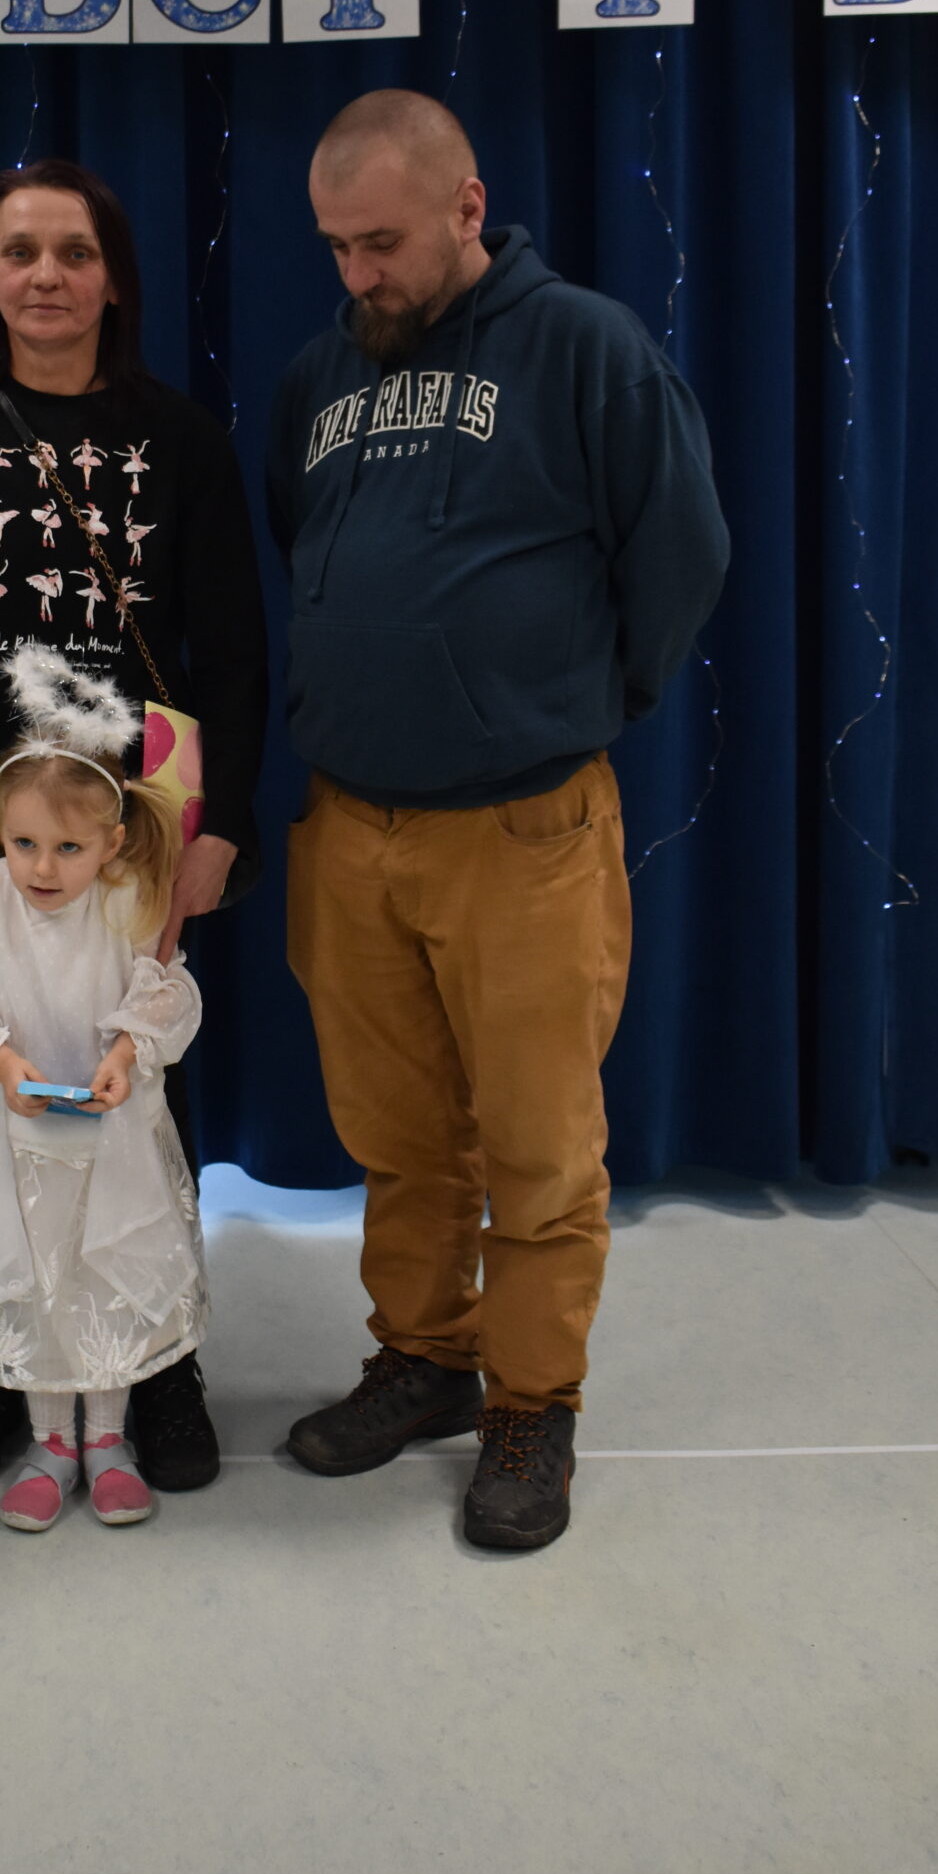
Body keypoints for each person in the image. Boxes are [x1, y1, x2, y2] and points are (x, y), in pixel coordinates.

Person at [269, 89, 729, 1552]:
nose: (358, 275)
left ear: (467, 208)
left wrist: (565, 702)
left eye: (382, 243)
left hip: (522, 830)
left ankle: (532, 1402)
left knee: (536, 1143)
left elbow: (681, 553)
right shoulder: (321, 376)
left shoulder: (585, 347)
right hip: (351, 829)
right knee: (397, 1135)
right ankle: (425, 1356)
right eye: (336, 248)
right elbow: (298, 540)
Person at [0, 158, 266, 1495]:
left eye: (73, 253)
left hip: (131, 835)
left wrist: (216, 825)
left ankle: (156, 1362)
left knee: (137, 1088)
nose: (45, 276)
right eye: (19, 252)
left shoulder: (182, 440)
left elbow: (232, 649)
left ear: (114, 279)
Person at [0, 650, 207, 1532]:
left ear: (112, 843)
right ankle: (51, 1445)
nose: (42, 867)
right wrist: (5, 1065)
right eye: (24, 843)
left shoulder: (128, 897)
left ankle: (108, 1440)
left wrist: (125, 1051)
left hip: (113, 1142)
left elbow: (162, 990)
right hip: (18, 1145)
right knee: (38, 1285)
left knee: (101, 1278)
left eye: (69, 848)